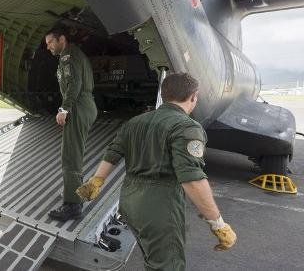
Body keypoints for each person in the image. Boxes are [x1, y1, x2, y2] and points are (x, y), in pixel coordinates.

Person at [75, 73, 237, 270]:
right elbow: (192, 179)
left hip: (129, 202)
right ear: (193, 96)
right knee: (166, 265)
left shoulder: (136, 122)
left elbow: (113, 153)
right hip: (159, 207)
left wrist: (95, 182)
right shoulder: (186, 127)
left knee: (153, 259)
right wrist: (217, 223)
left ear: (164, 93)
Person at [44, 26, 98, 221]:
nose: (48, 46)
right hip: (83, 104)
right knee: (73, 154)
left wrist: (64, 108)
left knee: (71, 156)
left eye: (51, 42)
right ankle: (74, 195)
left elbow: (74, 83)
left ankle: (72, 206)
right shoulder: (72, 55)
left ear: (62, 39)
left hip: (77, 106)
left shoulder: (69, 56)